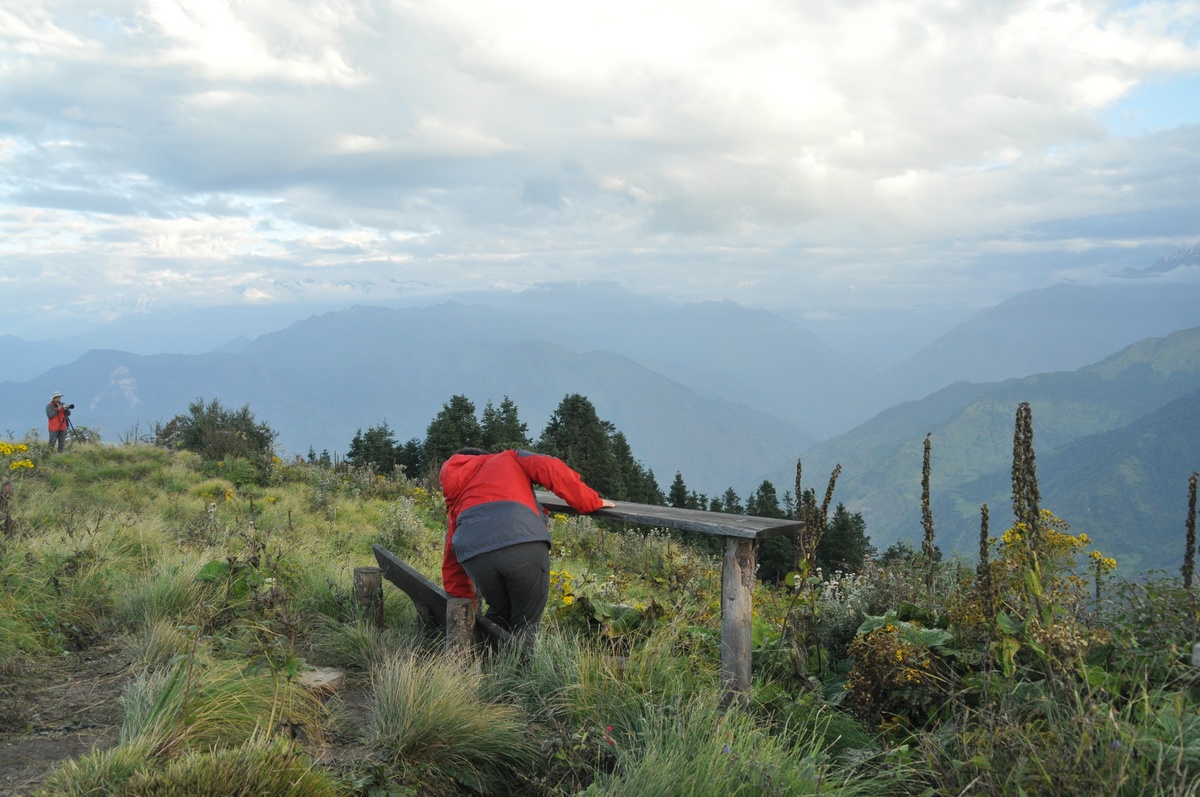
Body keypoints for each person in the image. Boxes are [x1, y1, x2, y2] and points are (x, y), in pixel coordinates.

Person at [440, 447, 614, 656]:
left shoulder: (458, 493)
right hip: (523, 540)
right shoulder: (509, 458)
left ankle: (490, 672)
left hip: (476, 555)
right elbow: (549, 467)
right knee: (526, 622)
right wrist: (590, 501)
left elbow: (451, 553)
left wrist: (462, 601)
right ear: (485, 456)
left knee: (499, 613)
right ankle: (520, 681)